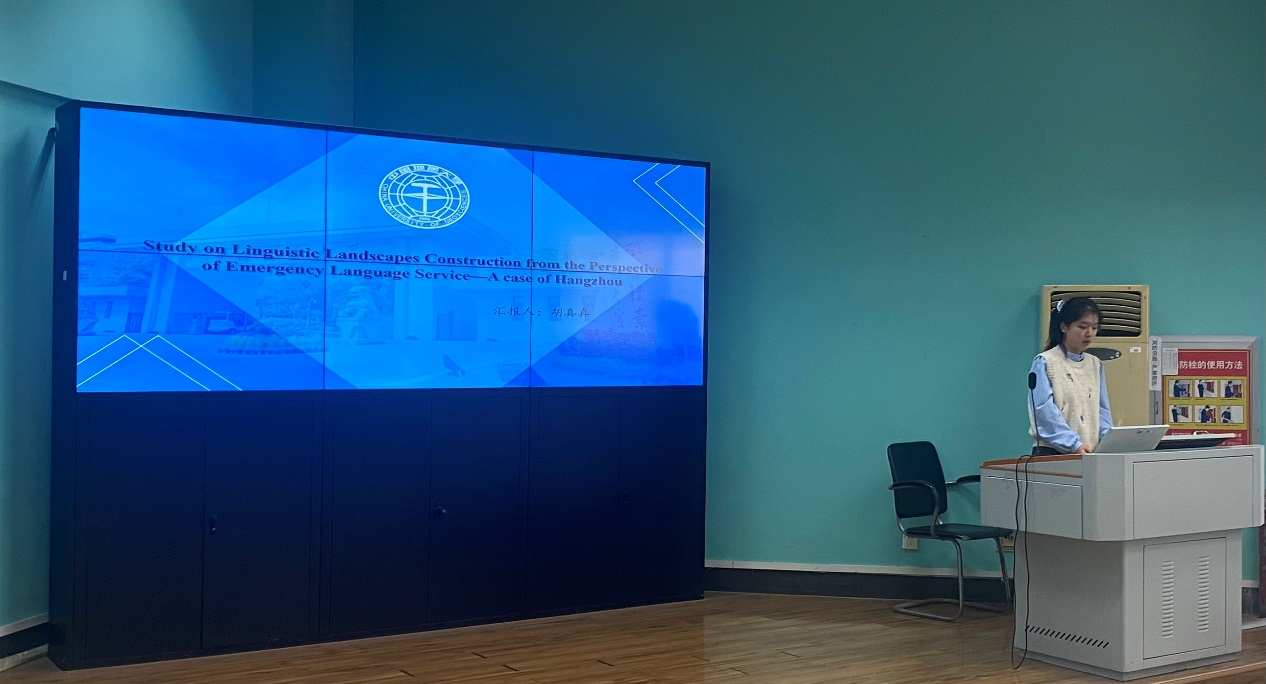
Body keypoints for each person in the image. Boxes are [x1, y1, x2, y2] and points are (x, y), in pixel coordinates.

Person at [1028, 297, 1112, 456]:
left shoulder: (1095, 364)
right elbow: (1043, 412)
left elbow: (1102, 410)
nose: (1089, 333)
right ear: (1064, 327)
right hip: (1052, 452)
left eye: (1094, 327)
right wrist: (1073, 444)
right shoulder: (1045, 362)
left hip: (1088, 452)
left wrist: (1108, 441)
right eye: (1082, 327)